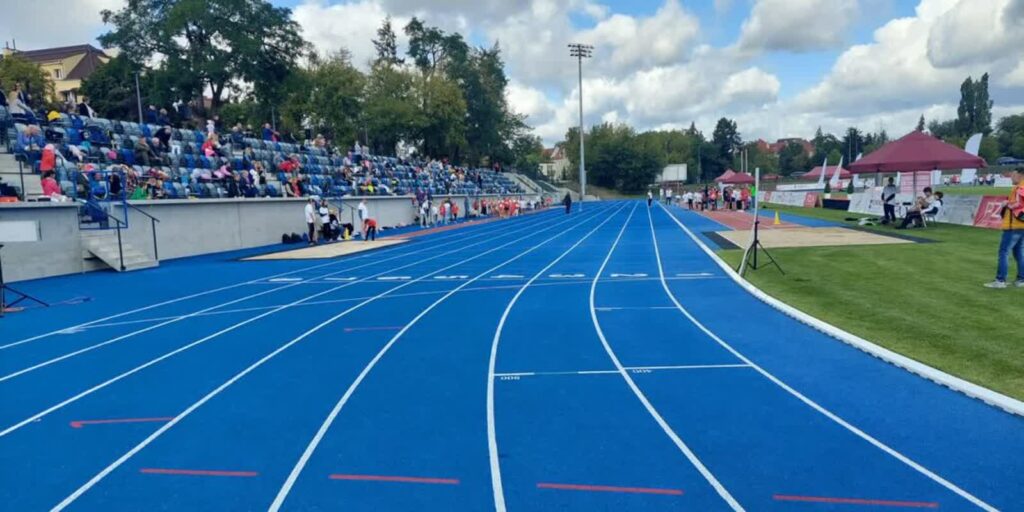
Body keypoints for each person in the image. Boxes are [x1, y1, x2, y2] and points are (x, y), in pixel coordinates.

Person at [985, 168, 1024, 288]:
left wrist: (1006, 203)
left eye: (1013, 175)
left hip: (1013, 226)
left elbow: (1018, 204)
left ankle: (1000, 280)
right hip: (1021, 226)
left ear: (1020, 175)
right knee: (1019, 253)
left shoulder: (1019, 189)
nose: (1011, 177)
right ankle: (1021, 279)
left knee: (1004, 252)